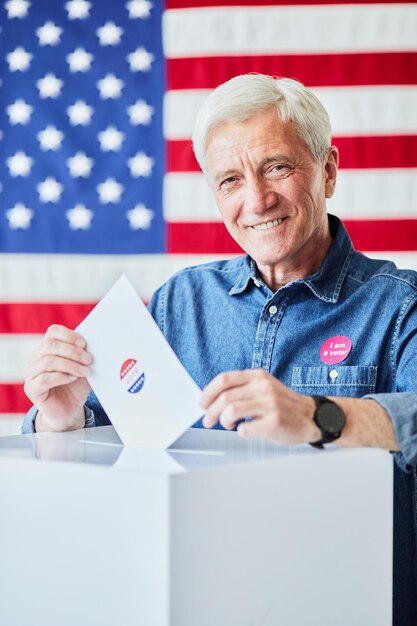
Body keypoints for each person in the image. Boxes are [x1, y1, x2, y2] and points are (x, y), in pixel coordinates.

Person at [23, 74, 416, 624]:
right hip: (196, 603)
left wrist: (318, 416)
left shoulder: (400, 307)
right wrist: (61, 419)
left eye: (277, 166)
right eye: (231, 179)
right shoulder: (180, 301)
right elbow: (103, 464)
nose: (256, 199)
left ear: (328, 170)